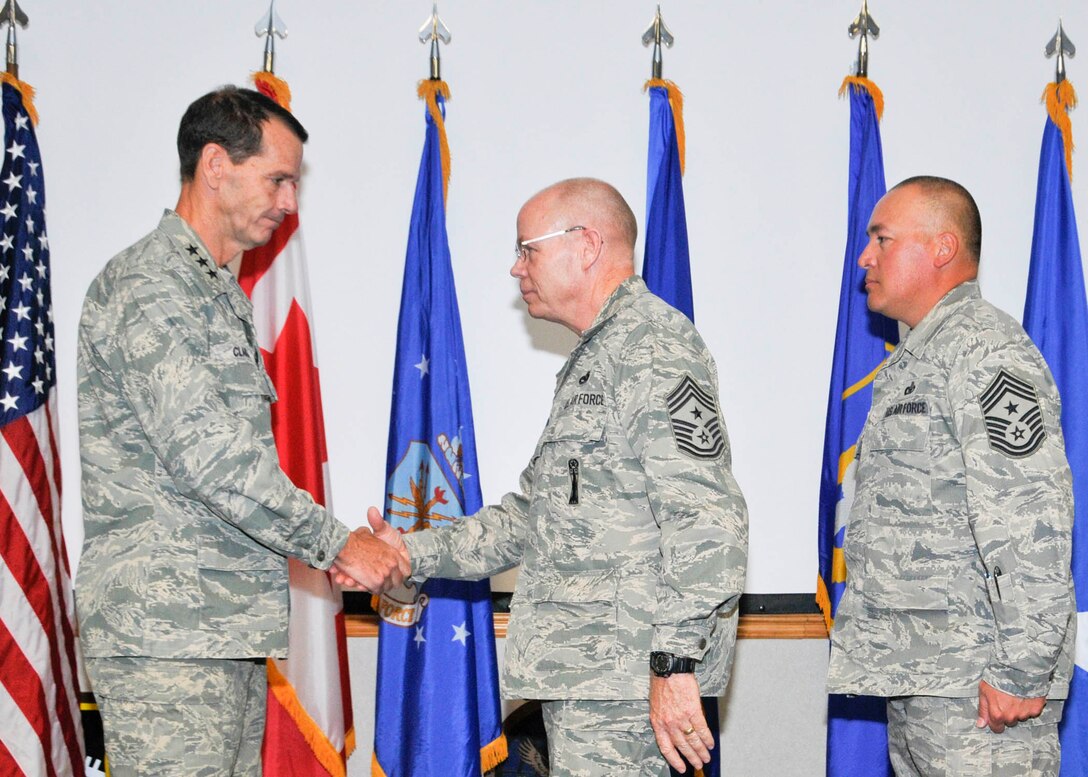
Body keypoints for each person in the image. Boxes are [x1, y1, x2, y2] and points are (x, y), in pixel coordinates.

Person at [360, 177, 748, 775]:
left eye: (527, 249)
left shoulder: (651, 347)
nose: (516, 269)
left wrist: (672, 666)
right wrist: (410, 552)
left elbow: (708, 521)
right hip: (591, 678)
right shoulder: (598, 355)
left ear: (586, 244)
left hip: (627, 683)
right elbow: (530, 516)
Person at [76, 86, 407, 776]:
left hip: (217, 631)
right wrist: (340, 542)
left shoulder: (216, 292)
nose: (289, 203)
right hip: (166, 640)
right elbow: (217, 462)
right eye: (278, 179)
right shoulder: (151, 287)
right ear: (216, 164)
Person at [827, 176, 1076, 775]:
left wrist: (1020, 668)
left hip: (980, 693)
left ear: (940, 248)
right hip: (925, 678)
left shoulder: (986, 353)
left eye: (882, 238)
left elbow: (1030, 516)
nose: (865, 257)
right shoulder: (917, 359)